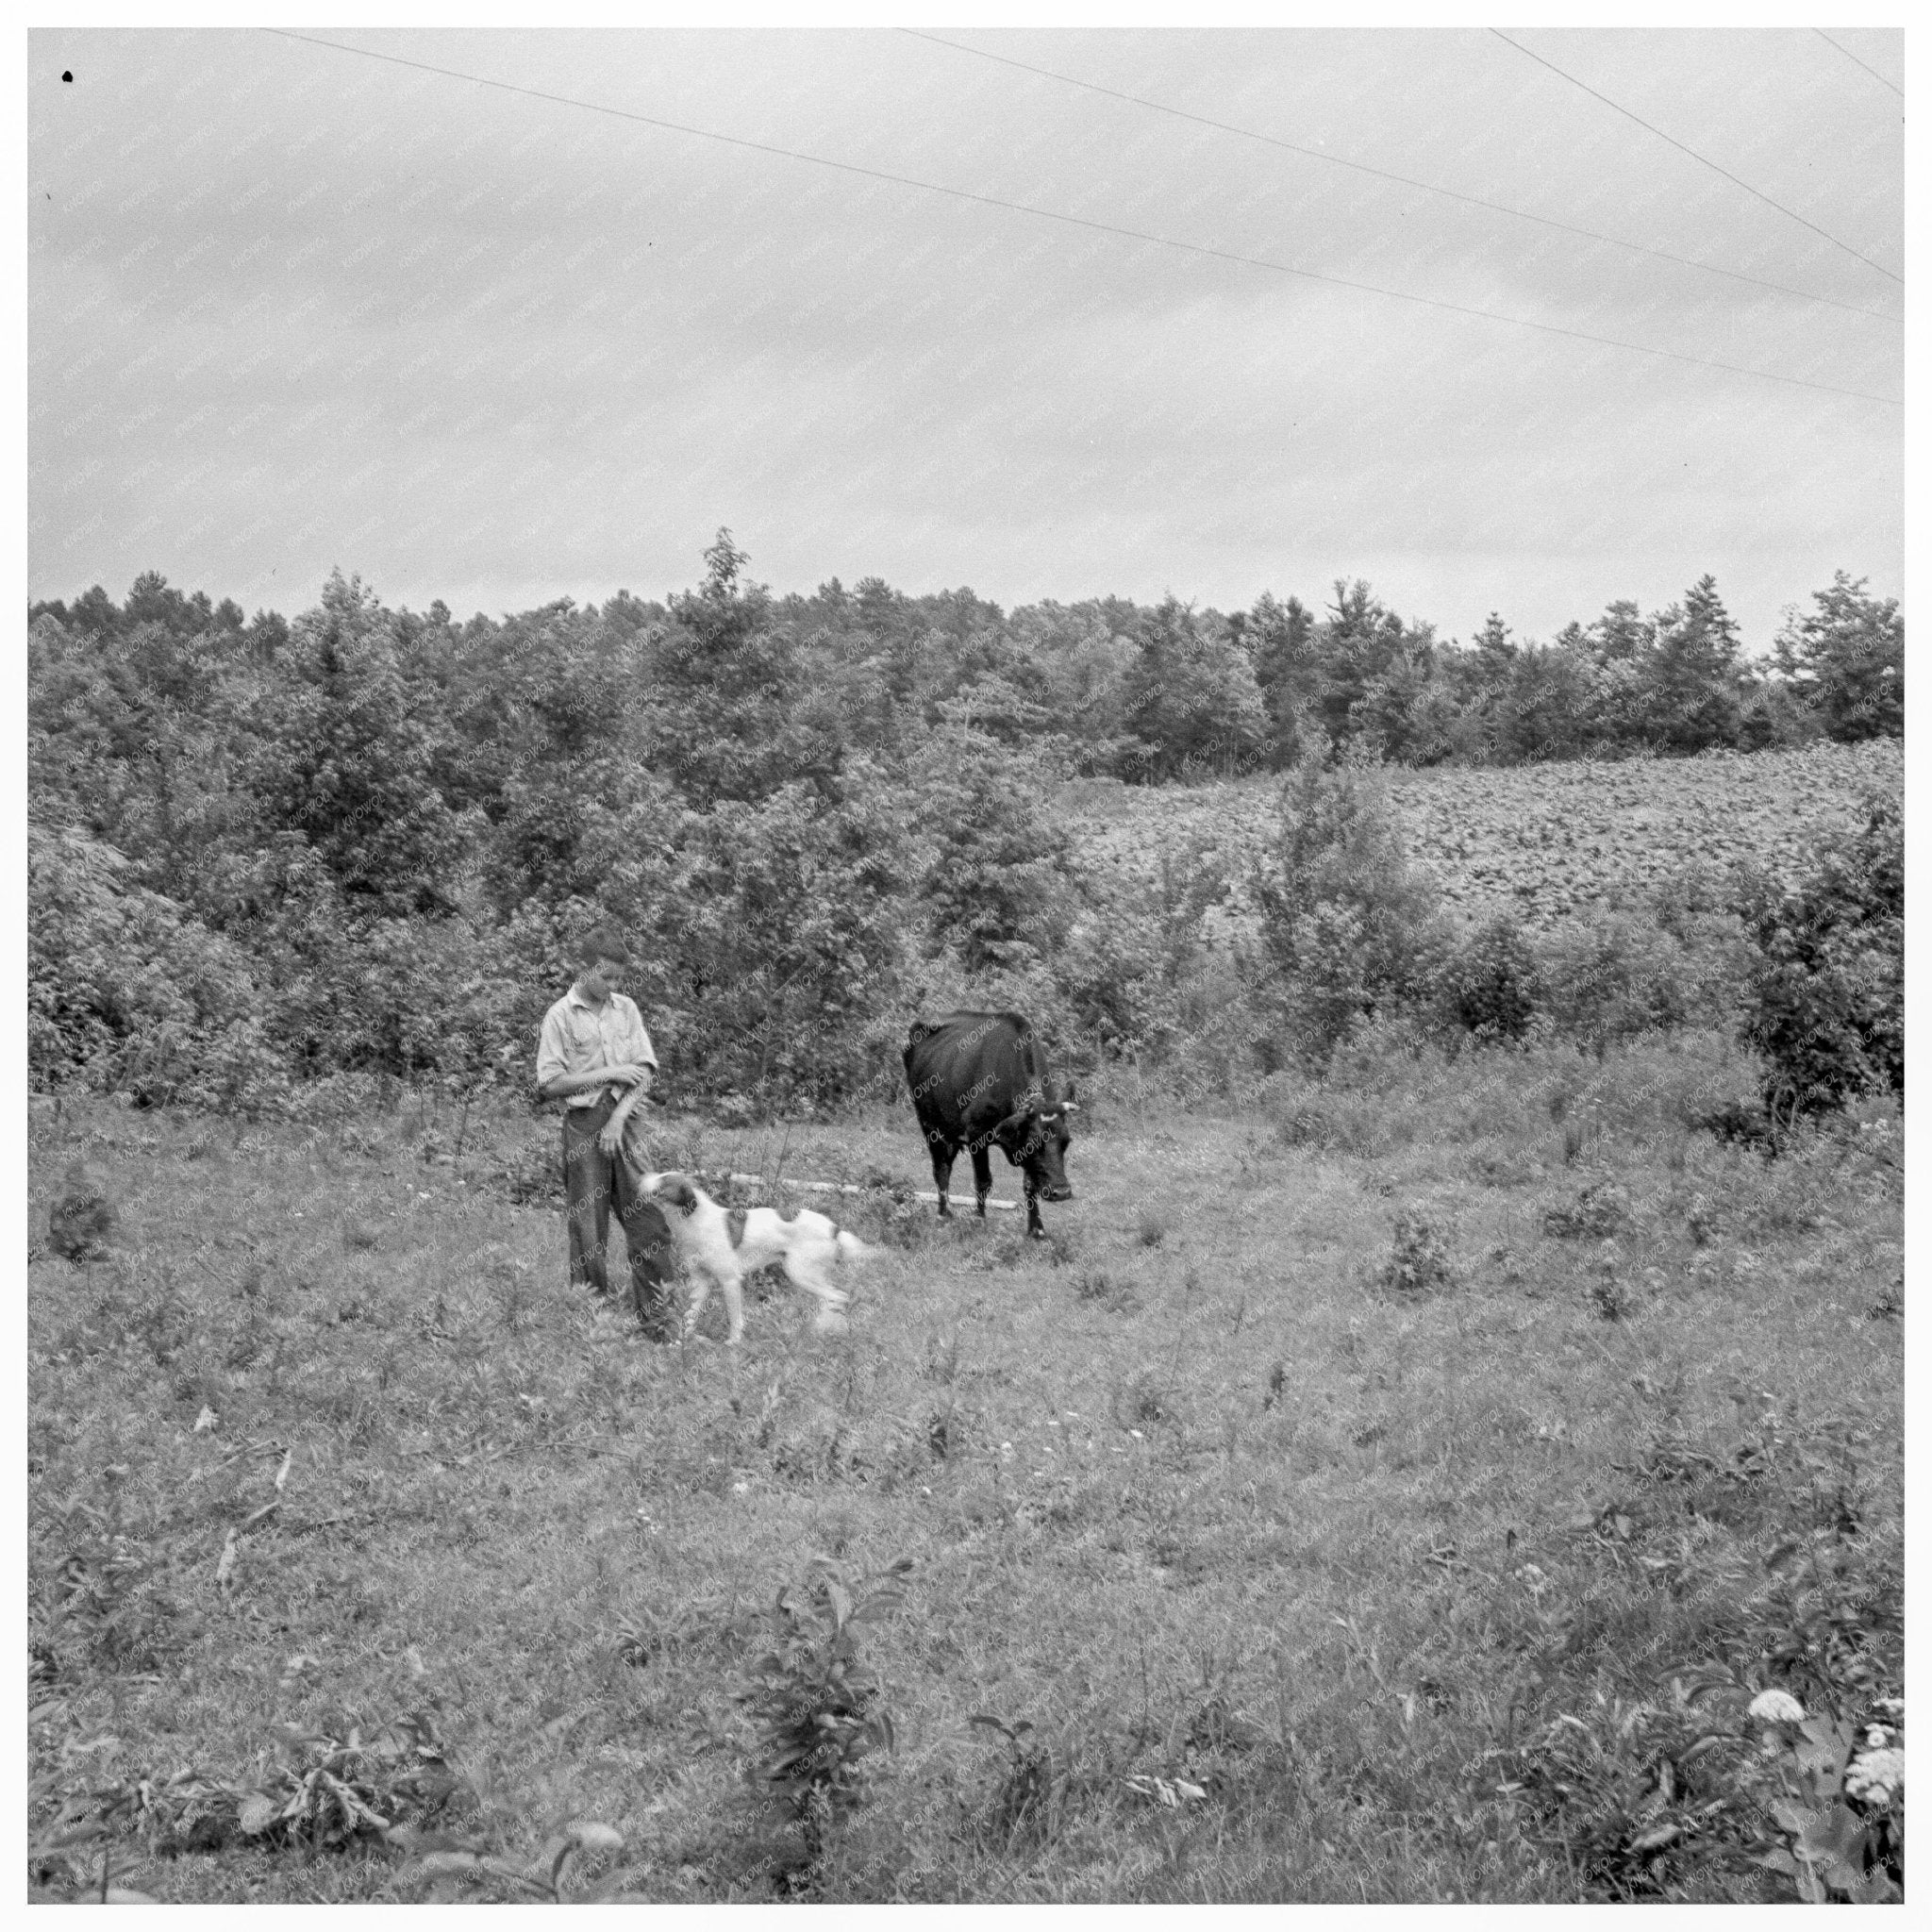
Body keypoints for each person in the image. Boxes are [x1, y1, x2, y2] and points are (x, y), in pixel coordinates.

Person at [535, 927, 675, 1338]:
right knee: (588, 1229)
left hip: (627, 1123)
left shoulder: (626, 1009)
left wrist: (618, 1118)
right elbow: (550, 1083)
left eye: (618, 978)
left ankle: (660, 1322)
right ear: (585, 969)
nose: (614, 986)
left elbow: (645, 1068)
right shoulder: (560, 1015)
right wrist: (611, 1072)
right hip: (583, 1126)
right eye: (607, 977)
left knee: (648, 1218)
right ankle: (594, 1324)